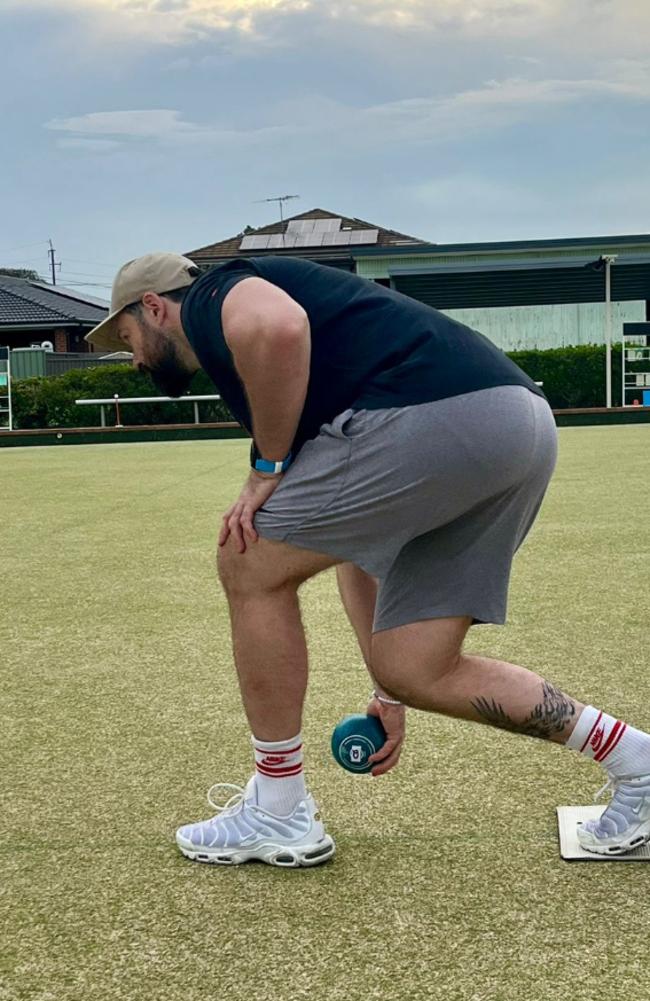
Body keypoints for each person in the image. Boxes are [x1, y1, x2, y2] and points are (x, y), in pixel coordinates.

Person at [87, 251, 650, 865]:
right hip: (518, 427)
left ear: (153, 307)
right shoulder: (314, 366)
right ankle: (641, 767)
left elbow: (277, 326)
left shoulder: (213, 293)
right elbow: (361, 547)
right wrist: (388, 692)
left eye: (127, 339)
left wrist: (265, 467)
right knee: (416, 668)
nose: (135, 359)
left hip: (439, 421)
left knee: (246, 562)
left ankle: (277, 808)